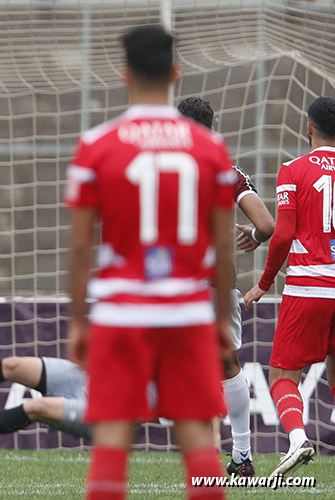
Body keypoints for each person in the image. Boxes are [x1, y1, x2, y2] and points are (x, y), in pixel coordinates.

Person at [66, 25, 237, 500]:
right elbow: (223, 249)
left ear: (125, 76)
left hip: (122, 311)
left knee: (113, 439)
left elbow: (81, 250)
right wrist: (221, 317)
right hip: (186, 309)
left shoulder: (96, 145)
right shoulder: (212, 150)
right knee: (200, 438)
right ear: (176, 74)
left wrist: (78, 321)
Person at [177, 96, 275, 477]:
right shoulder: (228, 171)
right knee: (227, 364)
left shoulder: (162, 166)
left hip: (171, 281)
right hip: (218, 281)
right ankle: (242, 455)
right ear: (212, 126)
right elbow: (267, 226)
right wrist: (253, 234)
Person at [242, 96, 335, 479]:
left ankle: (297, 440)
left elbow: (282, 235)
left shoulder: (293, 170)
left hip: (308, 288)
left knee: (283, 376)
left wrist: (263, 284)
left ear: (308, 127)